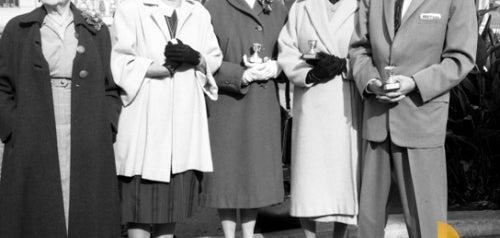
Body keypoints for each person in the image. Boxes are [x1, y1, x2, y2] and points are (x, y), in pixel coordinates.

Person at [349, 0, 477, 237]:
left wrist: (415, 83)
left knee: (427, 225)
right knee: (367, 224)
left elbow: (461, 58)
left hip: (422, 121)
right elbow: (359, 48)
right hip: (377, 120)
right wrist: (370, 82)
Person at [0, 0, 122, 236]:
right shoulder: (18, 28)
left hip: (88, 124)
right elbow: (2, 87)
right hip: (33, 124)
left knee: (87, 204)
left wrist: (106, 125)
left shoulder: (95, 29)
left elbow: (111, 87)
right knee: (37, 206)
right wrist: (14, 128)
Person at [111, 0, 222, 237]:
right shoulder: (131, 8)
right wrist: (158, 68)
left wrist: (196, 58)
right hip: (146, 118)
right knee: (138, 208)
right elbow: (119, 60)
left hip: (183, 120)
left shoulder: (199, 12)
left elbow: (213, 57)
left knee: (171, 208)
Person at [199, 0, 287, 237]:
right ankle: (229, 234)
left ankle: (249, 234)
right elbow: (203, 58)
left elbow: (289, 49)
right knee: (225, 174)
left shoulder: (276, 7)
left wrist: (278, 67)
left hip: (261, 103)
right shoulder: (213, 7)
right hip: (225, 104)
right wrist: (239, 74)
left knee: (253, 171)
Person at [277, 0, 360, 237]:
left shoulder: (361, 6)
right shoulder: (302, 7)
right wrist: (309, 74)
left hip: (345, 102)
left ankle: (339, 235)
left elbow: (372, 52)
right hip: (312, 102)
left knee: (343, 176)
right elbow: (287, 49)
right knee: (308, 176)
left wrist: (345, 66)